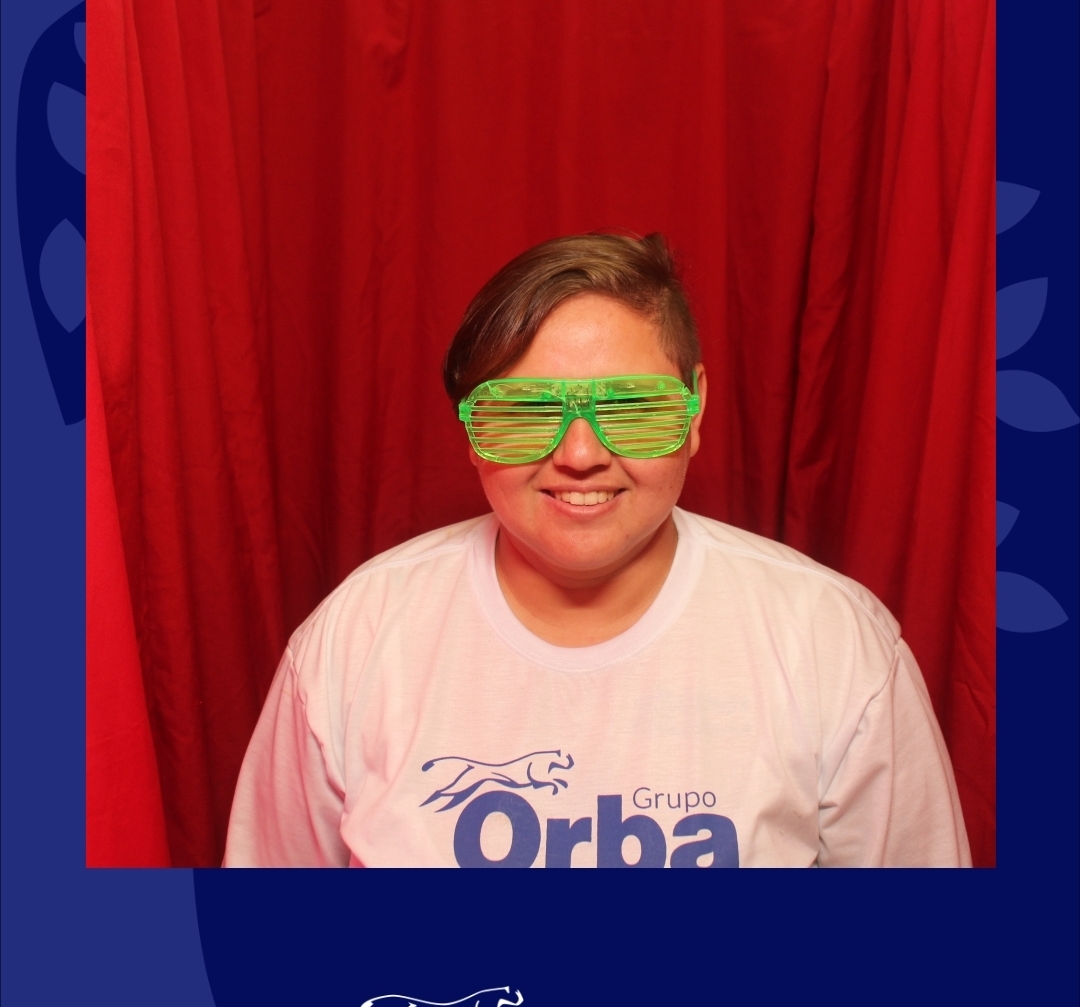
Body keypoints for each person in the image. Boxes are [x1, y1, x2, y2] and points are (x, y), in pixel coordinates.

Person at [224, 232, 971, 869]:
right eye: (525, 412)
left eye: (633, 407)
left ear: (696, 409)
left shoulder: (832, 641)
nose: (580, 455)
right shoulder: (356, 639)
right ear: (470, 428)